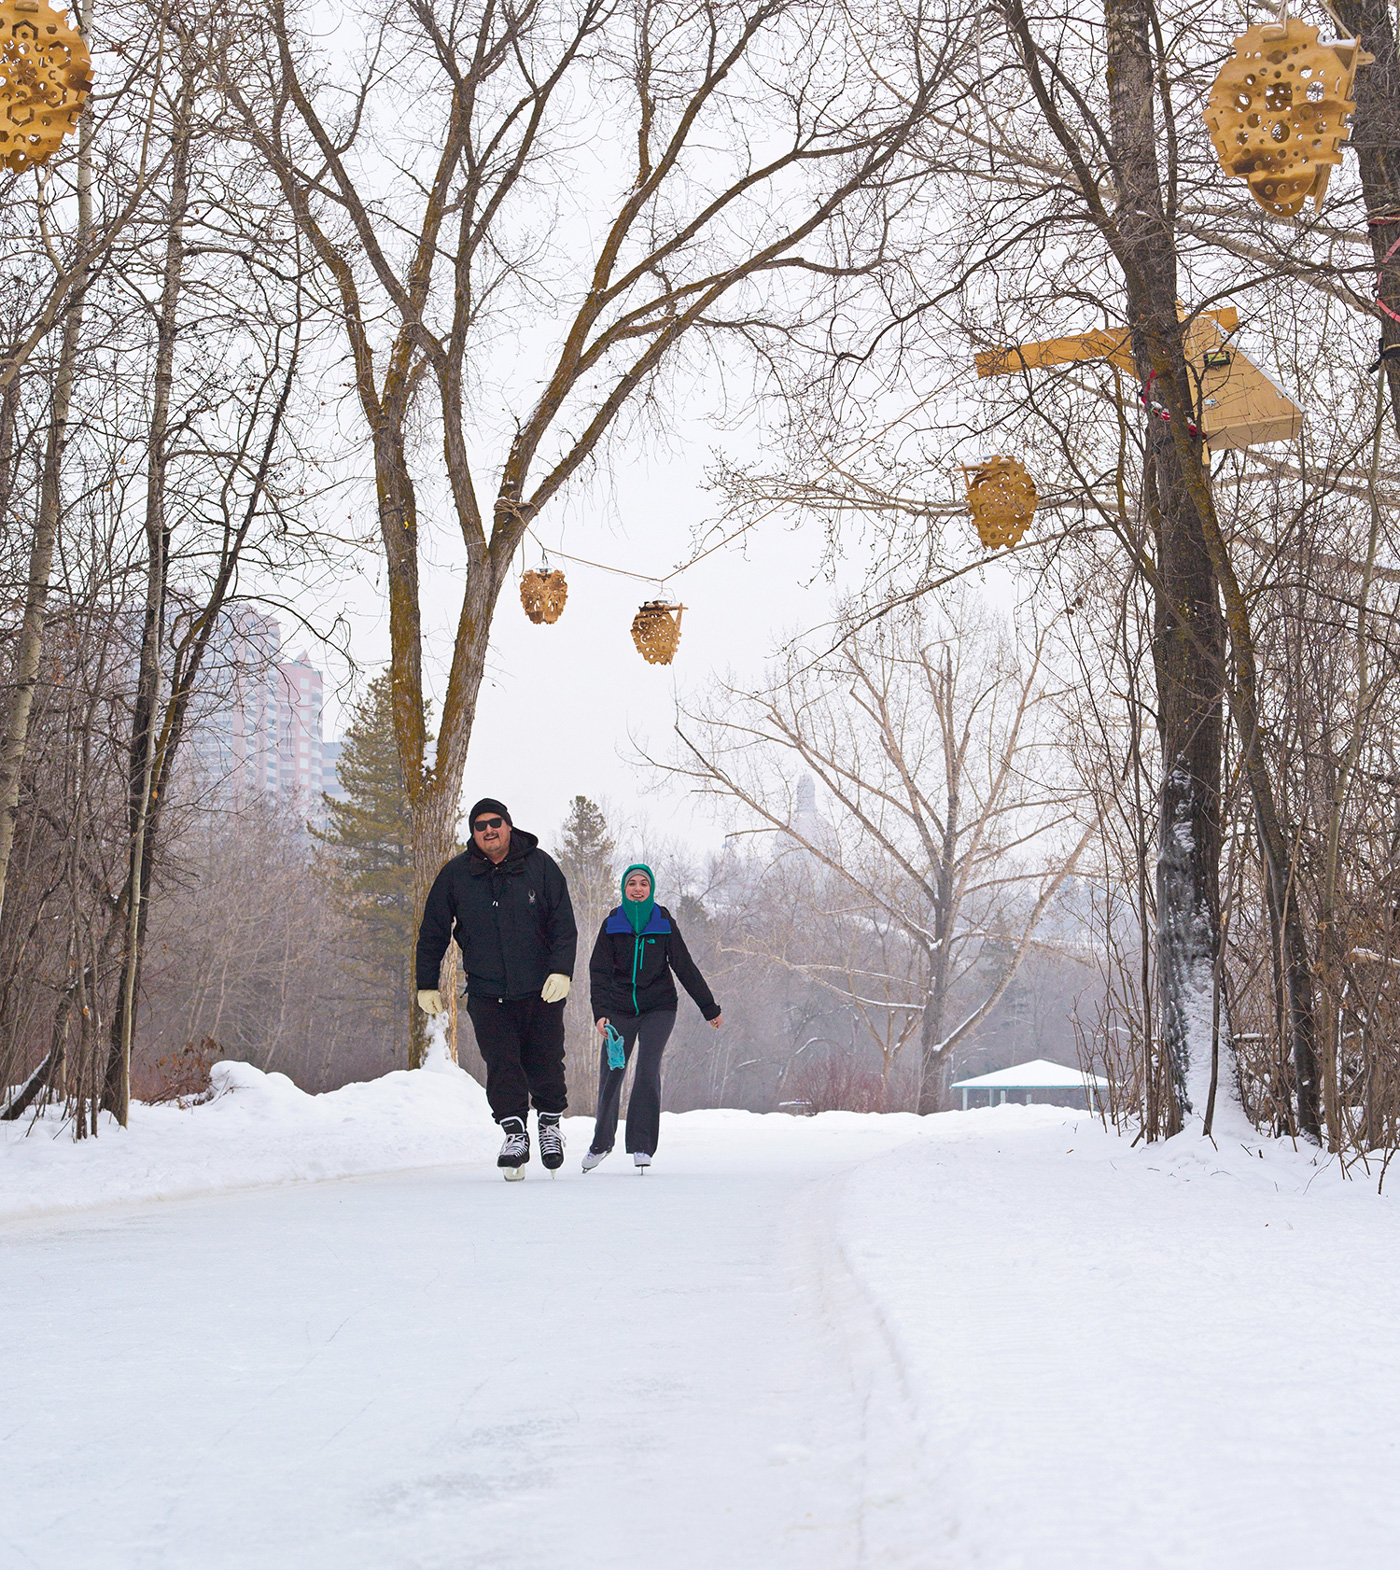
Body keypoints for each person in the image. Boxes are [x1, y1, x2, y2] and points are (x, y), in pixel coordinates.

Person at [415, 798, 577, 1180]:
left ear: (508, 825)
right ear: (473, 833)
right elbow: (433, 931)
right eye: (480, 825)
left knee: (545, 1061)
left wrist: (561, 971)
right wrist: (426, 983)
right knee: (502, 1064)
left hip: (542, 990)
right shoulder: (456, 874)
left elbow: (563, 924)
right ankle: (514, 1133)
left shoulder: (540, 866)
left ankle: (550, 1126)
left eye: (496, 822)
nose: (489, 830)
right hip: (488, 992)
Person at [583, 863, 721, 1173]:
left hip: (658, 1008)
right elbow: (599, 973)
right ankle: (601, 1143)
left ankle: (642, 1145)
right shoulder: (612, 924)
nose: (637, 888)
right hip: (618, 1010)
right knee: (612, 1072)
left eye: (644, 883)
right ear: (624, 888)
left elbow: (684, 967)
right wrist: (600, 1014)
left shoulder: (663, 923)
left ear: (651, 889)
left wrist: (709, 1007)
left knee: (647, 1069)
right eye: (632, 883)